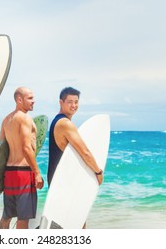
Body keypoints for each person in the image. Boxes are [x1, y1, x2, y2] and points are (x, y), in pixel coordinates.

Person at [47, 87, 103, 228]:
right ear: (61, 102)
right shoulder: (65, 124)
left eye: (76, 102)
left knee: (67, 223)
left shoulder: (57, 121)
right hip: (63, 181)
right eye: (70, 102)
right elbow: (84, 152)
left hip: (57, 179)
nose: (74, 106)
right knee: (77, 222)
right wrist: (98, 171)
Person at [0, 87, 44, 229]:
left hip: (10, 173)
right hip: (23, 174)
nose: (33, 101)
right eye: (30, 98)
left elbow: (2, 149)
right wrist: (37, 173)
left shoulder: (6, 120)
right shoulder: (25, 118)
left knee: (7, 216)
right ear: (19, 100)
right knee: (23, 218)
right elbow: (26, 148)